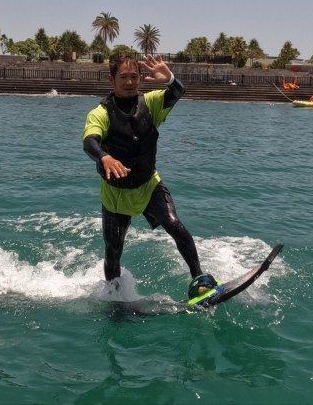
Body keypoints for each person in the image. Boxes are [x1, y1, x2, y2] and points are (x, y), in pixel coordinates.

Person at [82, 54, 217, 301]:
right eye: (123, 77)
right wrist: (104, 157)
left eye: (134, 76)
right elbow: (90, 141)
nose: (130, 82)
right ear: (112, 80)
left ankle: (199, 279)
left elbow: (176, 92)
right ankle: (114, 298)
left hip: (148, 186)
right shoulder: (99, 113)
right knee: (113, 250)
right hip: (116, 195)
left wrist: (171, 79)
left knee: (176, 226)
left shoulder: (151, 103)